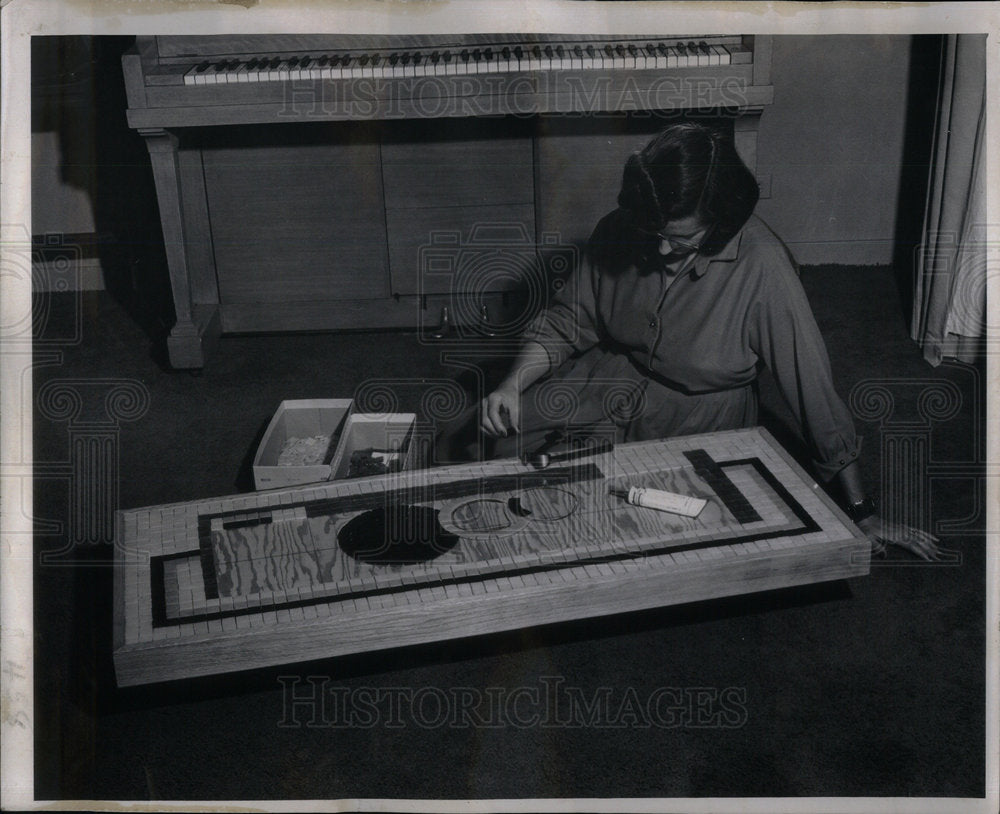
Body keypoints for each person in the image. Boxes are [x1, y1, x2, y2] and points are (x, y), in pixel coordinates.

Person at [446, 122, 939, 559]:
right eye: (654, 232)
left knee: (646, 524)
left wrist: (861, 509)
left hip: (700, 410)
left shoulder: (763, 267)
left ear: (720, 221)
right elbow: (565, 322)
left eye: (679, 240)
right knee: (475, 446)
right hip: (612, 373)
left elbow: (813, 392)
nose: (660, 249)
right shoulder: (622, 227)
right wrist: (512, 384)